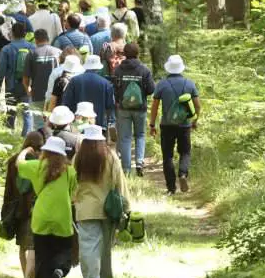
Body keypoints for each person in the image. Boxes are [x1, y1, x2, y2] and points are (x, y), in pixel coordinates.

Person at [18, 135, 78, 278]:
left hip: (41, 213)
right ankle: (59, 270)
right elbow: (73, 194)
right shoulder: (69, 171)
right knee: (64, 248)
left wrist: (25, 151)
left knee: (43, 251)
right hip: (62, 214)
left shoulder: (38, 166)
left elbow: (19, 165)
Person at [73, 125, 129, 278]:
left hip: (85, 208)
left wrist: (72, 201)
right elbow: (120, 182)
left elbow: (72, 183)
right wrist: (126, 206)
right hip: (108, 208)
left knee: (88, 247)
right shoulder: (110, 156)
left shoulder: (79, 157)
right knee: (105, 248)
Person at [149, 54, 202, 196]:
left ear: (168, 68)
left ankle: (171, 188)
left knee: (167, 156)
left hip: (166, 125)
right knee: (185, 152)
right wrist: (194, 121)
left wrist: (152, 124)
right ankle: (183, 174)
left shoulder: (162, 84)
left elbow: (154, 106)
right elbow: (197, 106)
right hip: (184, 125)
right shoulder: (189, 84)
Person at [2, 130, 46, 278]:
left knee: (22, 245)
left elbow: (8, 188)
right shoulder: (40, 163)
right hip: (34, 207)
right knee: (34, 245)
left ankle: (25, 276)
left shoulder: (14, 161)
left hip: (18, 209)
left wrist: (6, 210)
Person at [112, 42, 156, 175]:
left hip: (123, 109)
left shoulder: (118, 70)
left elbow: (114, 89)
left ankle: (126, 169)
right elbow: (151, 89)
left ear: (124, 54)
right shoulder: (144, 70)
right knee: (140, 135)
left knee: (125, 137)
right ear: (137, 53)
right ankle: (139, 163)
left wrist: (120, 99)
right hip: (140, 108)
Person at [0, 22, 35, 135]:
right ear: (25, 34)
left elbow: (1, 69)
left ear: (12, 33)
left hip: (11, 85)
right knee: (27, 113)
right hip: (27, 85)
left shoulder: (6, 49)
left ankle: (9, 135)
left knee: (10, 111)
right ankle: (26, 138)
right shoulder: (32, 47)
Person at [62, 54, 117, 133]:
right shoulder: (106, 84)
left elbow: (66, 102)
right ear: (98, 67)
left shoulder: (74, 80)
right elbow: (110, 105)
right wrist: (111, 122)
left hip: (77, 124)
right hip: (98, 124)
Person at [23, 29, 61, 134]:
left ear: (35, 40)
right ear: (47, 38)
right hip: (55, 95)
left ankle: (39, 147)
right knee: (55, 123)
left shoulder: (31, 54)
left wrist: (28, 91)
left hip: (37, 94)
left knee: (39, 126)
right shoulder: (57, 52)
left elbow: (25, 77)